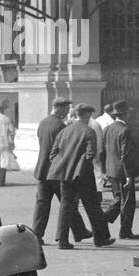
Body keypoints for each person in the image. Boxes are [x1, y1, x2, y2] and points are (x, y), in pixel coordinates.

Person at [46, 104, 113, 250]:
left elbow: (53, 153)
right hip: (83, 175)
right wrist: (80, 167)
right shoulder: (89, 131)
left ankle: (62, 240)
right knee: (93, 207)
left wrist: (63, 165)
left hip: (65, 175)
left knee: (66, 206)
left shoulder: (64, 131)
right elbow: (90, 154)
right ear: (87, 115)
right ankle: (99, 238)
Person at [31, 98, 89, 244]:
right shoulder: (60, 126)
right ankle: (78, 231)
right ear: (58, 108)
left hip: (42, 168)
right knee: (67, 202)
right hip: (55, 170)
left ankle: (37, 234)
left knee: (42, 203)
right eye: (65, 109)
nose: (67, 112)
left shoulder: (43, 123)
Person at [102, 102, 138, 240]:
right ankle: (125, 231)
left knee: (118, 199)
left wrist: (105, 171)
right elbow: (126, 155)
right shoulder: (125, 131)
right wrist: (129, 176)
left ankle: (101, 221)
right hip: (123, 172)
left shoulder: (107, 129)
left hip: (111, 171)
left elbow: (103, 152)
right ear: (125, 114)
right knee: (128, 202)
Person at [93, 102, 115, 188]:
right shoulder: (110, 121)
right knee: (106, 163)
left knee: (100, 164)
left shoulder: (98, 119)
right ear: (112, 111)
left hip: (97, 144)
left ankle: (102, 180)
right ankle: (105, 179)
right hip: (106, 145)